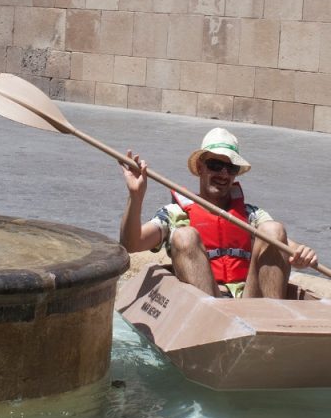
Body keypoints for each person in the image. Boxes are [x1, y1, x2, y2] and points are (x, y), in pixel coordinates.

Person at [119, 128, 318, 300]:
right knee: (184, 235)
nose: (223, 174)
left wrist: (302, 254)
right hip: (208, 303)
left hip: (250, 300)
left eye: (230, 168)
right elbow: (132, 243)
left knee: (274, 229)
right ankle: (213, 328)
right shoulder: (174, 213)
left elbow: (287, 245)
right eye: (215, 165)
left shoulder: (251, 215)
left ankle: (275, 323)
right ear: (200, 167)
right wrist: (135, 197)